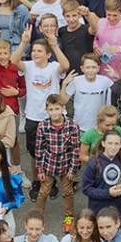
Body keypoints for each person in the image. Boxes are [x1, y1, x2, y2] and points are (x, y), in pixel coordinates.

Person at [10, 23, 70, 201]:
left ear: (48, 55)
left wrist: (54, 45)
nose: (35, 53)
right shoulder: (29, 66)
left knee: (54, 151)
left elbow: (65, 65)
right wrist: (24, 42)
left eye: (39, 51)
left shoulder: (53, 67)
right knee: (35, 153)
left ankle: (51, 181)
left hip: (53, 117)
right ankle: (37, 181)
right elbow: (14, 61)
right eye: (34, 50)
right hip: (33, 116)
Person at [34, 94, 81, 225]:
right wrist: (40, 169)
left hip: (66, 165)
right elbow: (39, 149)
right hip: (49, 165)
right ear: (46, 110)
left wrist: (73, 169)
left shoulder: (72, 125)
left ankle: (68, 218)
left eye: (57, 109)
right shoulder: (42, 126)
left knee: (68, 192)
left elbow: (75, 149)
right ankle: (37, 217)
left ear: (63, 108)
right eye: (51, 109)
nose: (54, 112)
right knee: (44, 192)